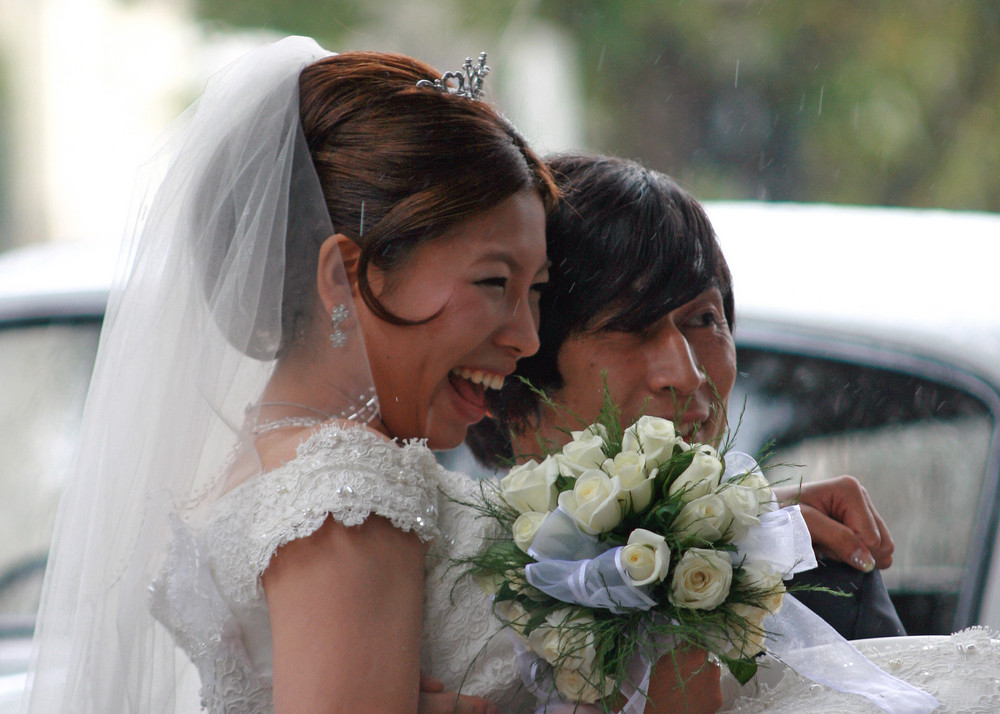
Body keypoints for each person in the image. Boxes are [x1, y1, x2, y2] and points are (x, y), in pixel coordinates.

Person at [21, 37, 563, 714]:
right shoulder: (348, 493)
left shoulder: (262, 461)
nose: (526, 337)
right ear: (343, 274)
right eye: (493, 282)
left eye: (536, 289)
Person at [465, 152, 906, 655]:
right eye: (630, 326)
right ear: (520, 378)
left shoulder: (819, 586)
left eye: (703, 321)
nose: (687, 373)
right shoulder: (435, 594)